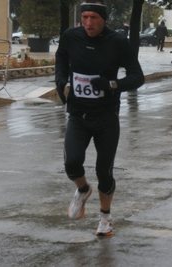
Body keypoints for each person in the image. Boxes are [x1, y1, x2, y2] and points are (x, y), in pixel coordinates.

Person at [55, 0, 145, 236]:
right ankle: (83, 190)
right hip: (78, 113)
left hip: (106, 115)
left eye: (93, 17)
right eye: (84, 17)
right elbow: (61, 56)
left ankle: (105, 217)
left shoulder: (117, 42)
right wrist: (61, 79)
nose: (88, 23)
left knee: (104, 170)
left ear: (103, 19)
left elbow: (137, 77)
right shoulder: (71, 36)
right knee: (71, 162)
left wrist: (112, 85)